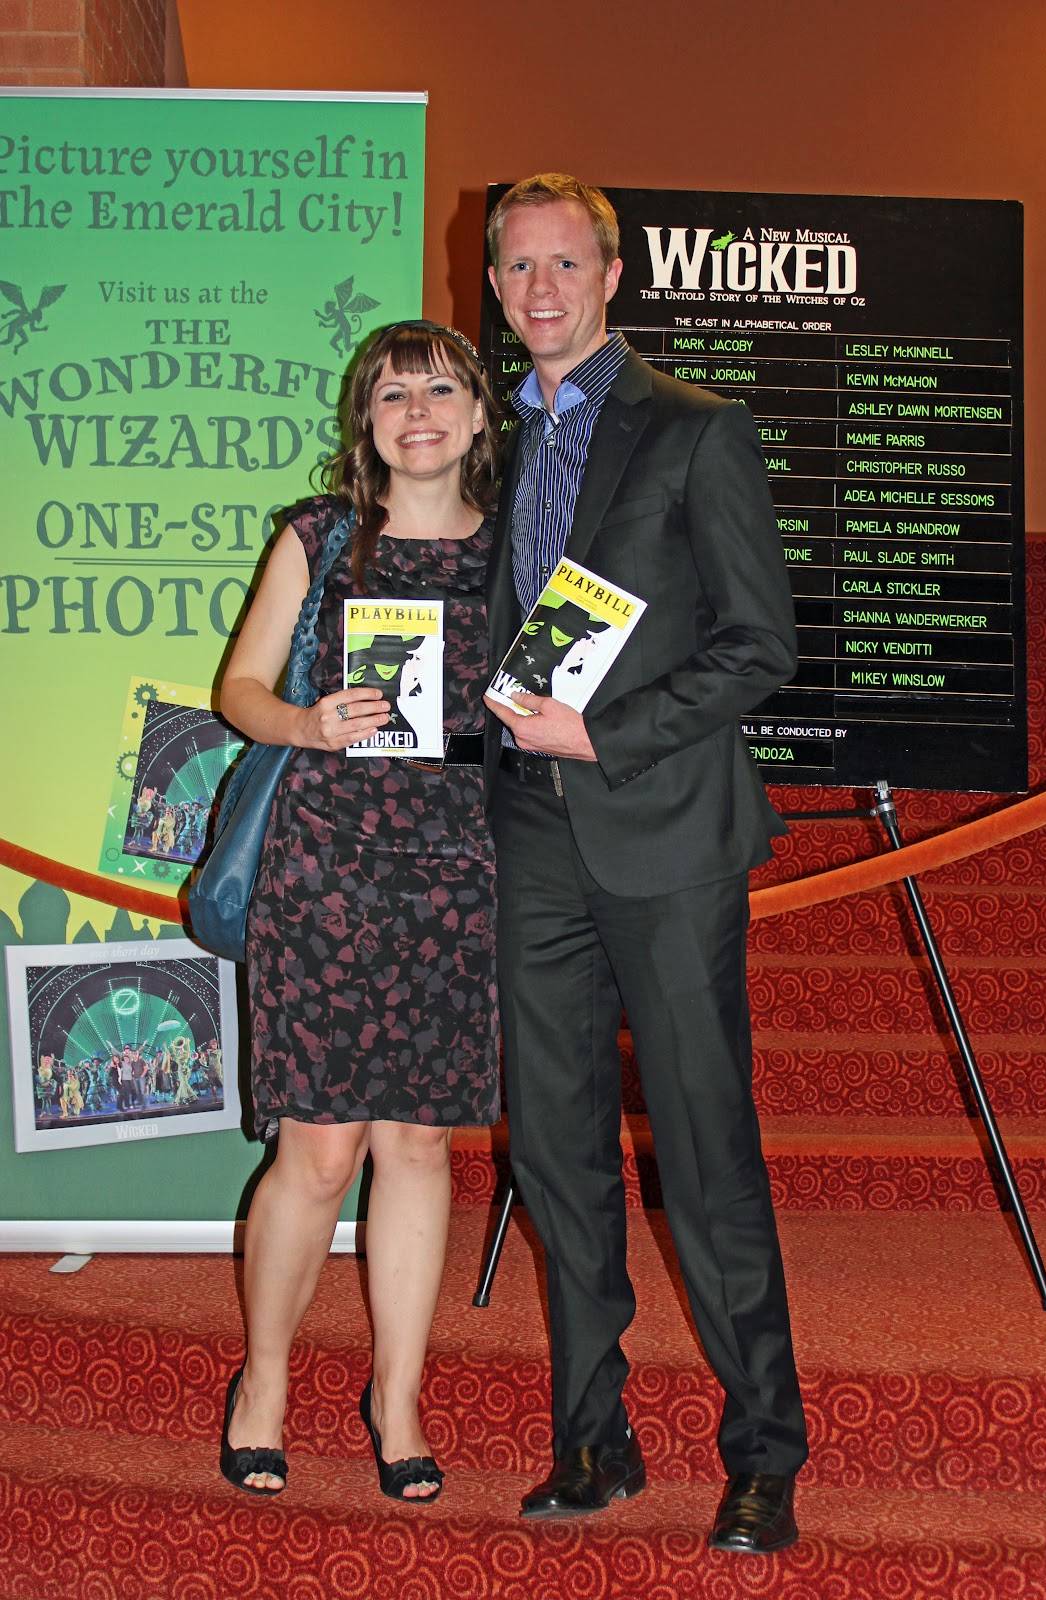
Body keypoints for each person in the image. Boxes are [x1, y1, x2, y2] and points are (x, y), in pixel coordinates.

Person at [484, 175, 808, 1554]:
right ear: (491, 281)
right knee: (556, 1153)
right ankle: (592, 1435)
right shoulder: (481, 446)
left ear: (610, 275)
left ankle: (761, 1451)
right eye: (515, 267)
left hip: (661, 830)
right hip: (527, 839)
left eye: (565, 263)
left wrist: (599, 737)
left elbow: (756, 647)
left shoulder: (695, 431)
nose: (540, 289)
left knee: (703, 1143)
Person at [217, 321, 500, 1502]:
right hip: (324, 867)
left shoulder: (520, 550)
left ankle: (397, 1399)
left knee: (421, 1143)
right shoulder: (321, 536)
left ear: (481, 414)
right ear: (365, 424)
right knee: (321, 1154)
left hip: (458, 871)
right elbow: (236, 687)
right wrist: (305, 720)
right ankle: (266, 1381)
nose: (418, 410)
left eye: (441, 389)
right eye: (393, 394)